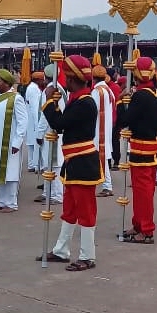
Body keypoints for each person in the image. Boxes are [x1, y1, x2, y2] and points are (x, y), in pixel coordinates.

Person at [38, 55, 102, 270]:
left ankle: (87, 256)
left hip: (83, 162)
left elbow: (59, 124)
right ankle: (61, 250)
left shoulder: (85, 103)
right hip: (74, 161)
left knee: (85, 210)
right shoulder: (78, 100)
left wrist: (49, 101)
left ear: (73, 80)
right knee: (70, 209)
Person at [121, 57, 157, 244]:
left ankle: (146, 229)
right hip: (152, 148)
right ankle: (139, 224)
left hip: (141, 148)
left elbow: (126, 119)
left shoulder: (140, 96)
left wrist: (122, 102)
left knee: (143, 193)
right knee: (144, 191)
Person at [0, 68, 28, 212]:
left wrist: (17, 142)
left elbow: (23, 122)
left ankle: (11, 203)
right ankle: (1, 201)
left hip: (9, 142)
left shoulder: (17, 98)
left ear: (7, 83)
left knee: (10, 173)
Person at [34, 64, 66, 205]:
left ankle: (57, 195)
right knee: (49, 164)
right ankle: (47, 192)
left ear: (46, 77)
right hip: (55, 129)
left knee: (55, 163)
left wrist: (39, 133)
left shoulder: (49, 90)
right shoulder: (60, 88)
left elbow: (44, 114)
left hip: (51, 131)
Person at [91, 64, 115, 197]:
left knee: (101, 156)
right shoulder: (108, 89)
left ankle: (107, 186)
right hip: (105, 127)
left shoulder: (97, 91)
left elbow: (91, 111)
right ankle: (106, 185)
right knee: (102, 157)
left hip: (98, 128)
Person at [24, 70, 45, 172]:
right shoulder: (33, 89)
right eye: (42, 80)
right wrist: (38, 124)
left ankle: (32, 164)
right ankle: (34, 165)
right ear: (37, 80)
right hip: (34, 120)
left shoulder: (34, 88)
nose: (43, 82)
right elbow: (35, 107)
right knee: (34, 144)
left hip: (32, 120)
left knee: (32, 143)